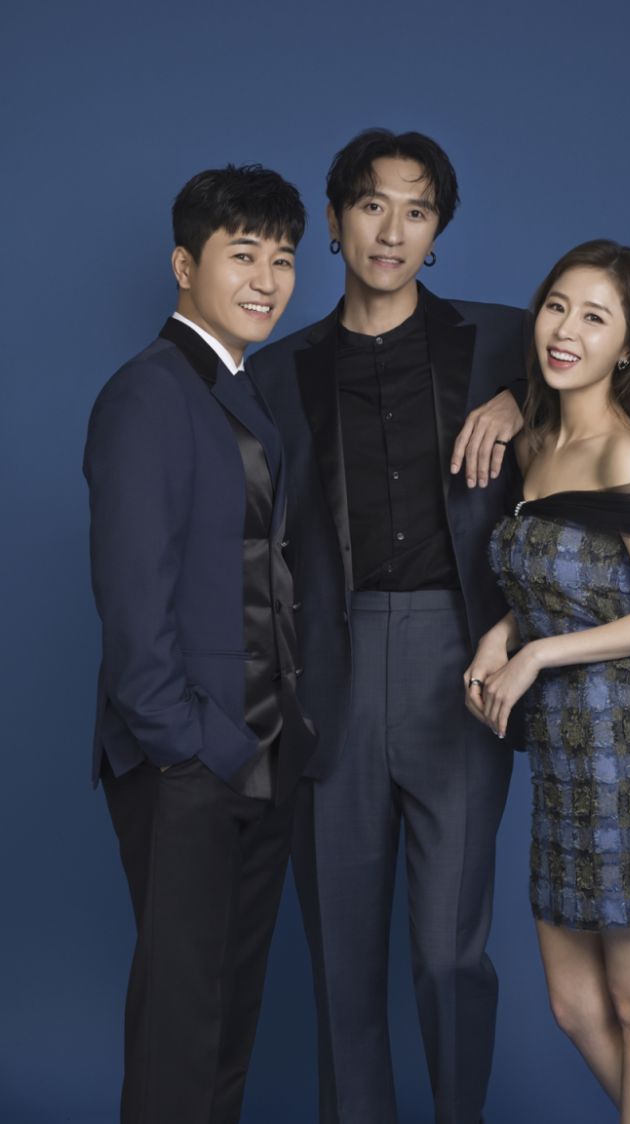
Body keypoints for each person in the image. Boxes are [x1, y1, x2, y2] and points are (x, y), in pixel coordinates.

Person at [248, 128, 530, 1124]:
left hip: (462, 661)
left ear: (438, 230)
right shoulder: (276, 374)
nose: (393, 230)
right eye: (373, 205)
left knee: (450, 952)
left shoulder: (505, 342)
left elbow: (620, 385)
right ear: (335, 221)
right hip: (330, 664)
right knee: (343, 957)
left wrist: (524, 402)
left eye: (417, 210)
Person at [83, 164, 317, 1124]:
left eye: (283, 259)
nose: (267, 280)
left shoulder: (239, 388)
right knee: (180, 1029)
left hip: (262, 751)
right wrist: (188, 745)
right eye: (243, 255)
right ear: (185, 266)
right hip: (189, 761)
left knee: (226, 1023)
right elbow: (133, 602)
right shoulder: (148, 393)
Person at [466, 239, 630, 1124]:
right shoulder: (537, 441)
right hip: (562, 761)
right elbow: (557, 586)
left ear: (628, 347)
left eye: (595, 318)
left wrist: (534, 657)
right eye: (557, 307)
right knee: (573, 1006)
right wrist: (502, 634)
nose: (566, 330)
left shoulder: (624, 452)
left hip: (629, 754)